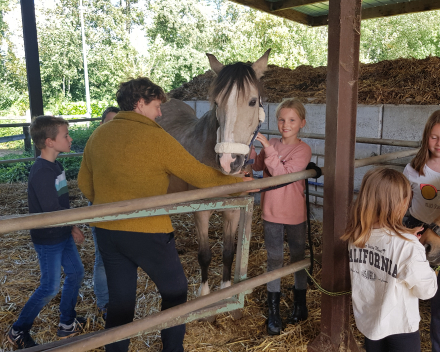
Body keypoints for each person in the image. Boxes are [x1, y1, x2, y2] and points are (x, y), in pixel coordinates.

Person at [77, 77, 253, 352]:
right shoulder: (157, 137)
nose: (161, 113)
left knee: (121, 301)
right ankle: (172, 349)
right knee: (175, 290)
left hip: (108, 232)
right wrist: (237, 183)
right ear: (140, 103)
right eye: (157, 106)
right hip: (149, 231)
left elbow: (85, 185)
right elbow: (197, 174)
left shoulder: (99, 135)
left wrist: (112, 205)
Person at [8, 116, 86, 349]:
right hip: (48, 238)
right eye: (65, 135)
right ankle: (18, 329)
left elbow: (61, 203)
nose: (70, 139)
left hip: (61, 232)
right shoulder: (42, 171)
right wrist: (71, 222)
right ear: (50, 142)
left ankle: (67, 322)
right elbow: (51, 210)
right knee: (50, 286)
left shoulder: (56, 166)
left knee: (76, 273)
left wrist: (71, 226)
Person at [341, 167, 437, 352]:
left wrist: (406, 239)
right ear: (400, 204)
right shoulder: (407, 246)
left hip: (370, 322)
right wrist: (422, 258)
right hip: (400, 326)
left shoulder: (356, 235)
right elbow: (427, 291)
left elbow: (385, 248)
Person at [249, 98, 311, 335]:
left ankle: (300, 304)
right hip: (271, 212)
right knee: (274, 259)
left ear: (301, 123)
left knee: (297, 257)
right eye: (282, 119)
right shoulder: (272, 142)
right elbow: (256, 166)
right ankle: (273, 311)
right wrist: (251, 147)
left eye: (292, 120)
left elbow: (283, 175)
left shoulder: (302, 149)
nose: (286, 124)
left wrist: (267, 146)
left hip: (294, 212)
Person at [402, 110, 440, 351]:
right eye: (435, 136)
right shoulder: (414, 169)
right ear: (427, 136)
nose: (439, 143)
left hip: (437, 234)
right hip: (416, 228)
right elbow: (403, 201)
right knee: (410, 286)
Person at [90, 106, 120, 319]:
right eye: (109, 121)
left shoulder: (124, 147)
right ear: (101, 124)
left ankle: (117, 300)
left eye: (117, 122)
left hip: (121, 211)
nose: (113, 127)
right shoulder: (96, 146)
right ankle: (104, 304)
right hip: (101, 209)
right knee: (102, 258)